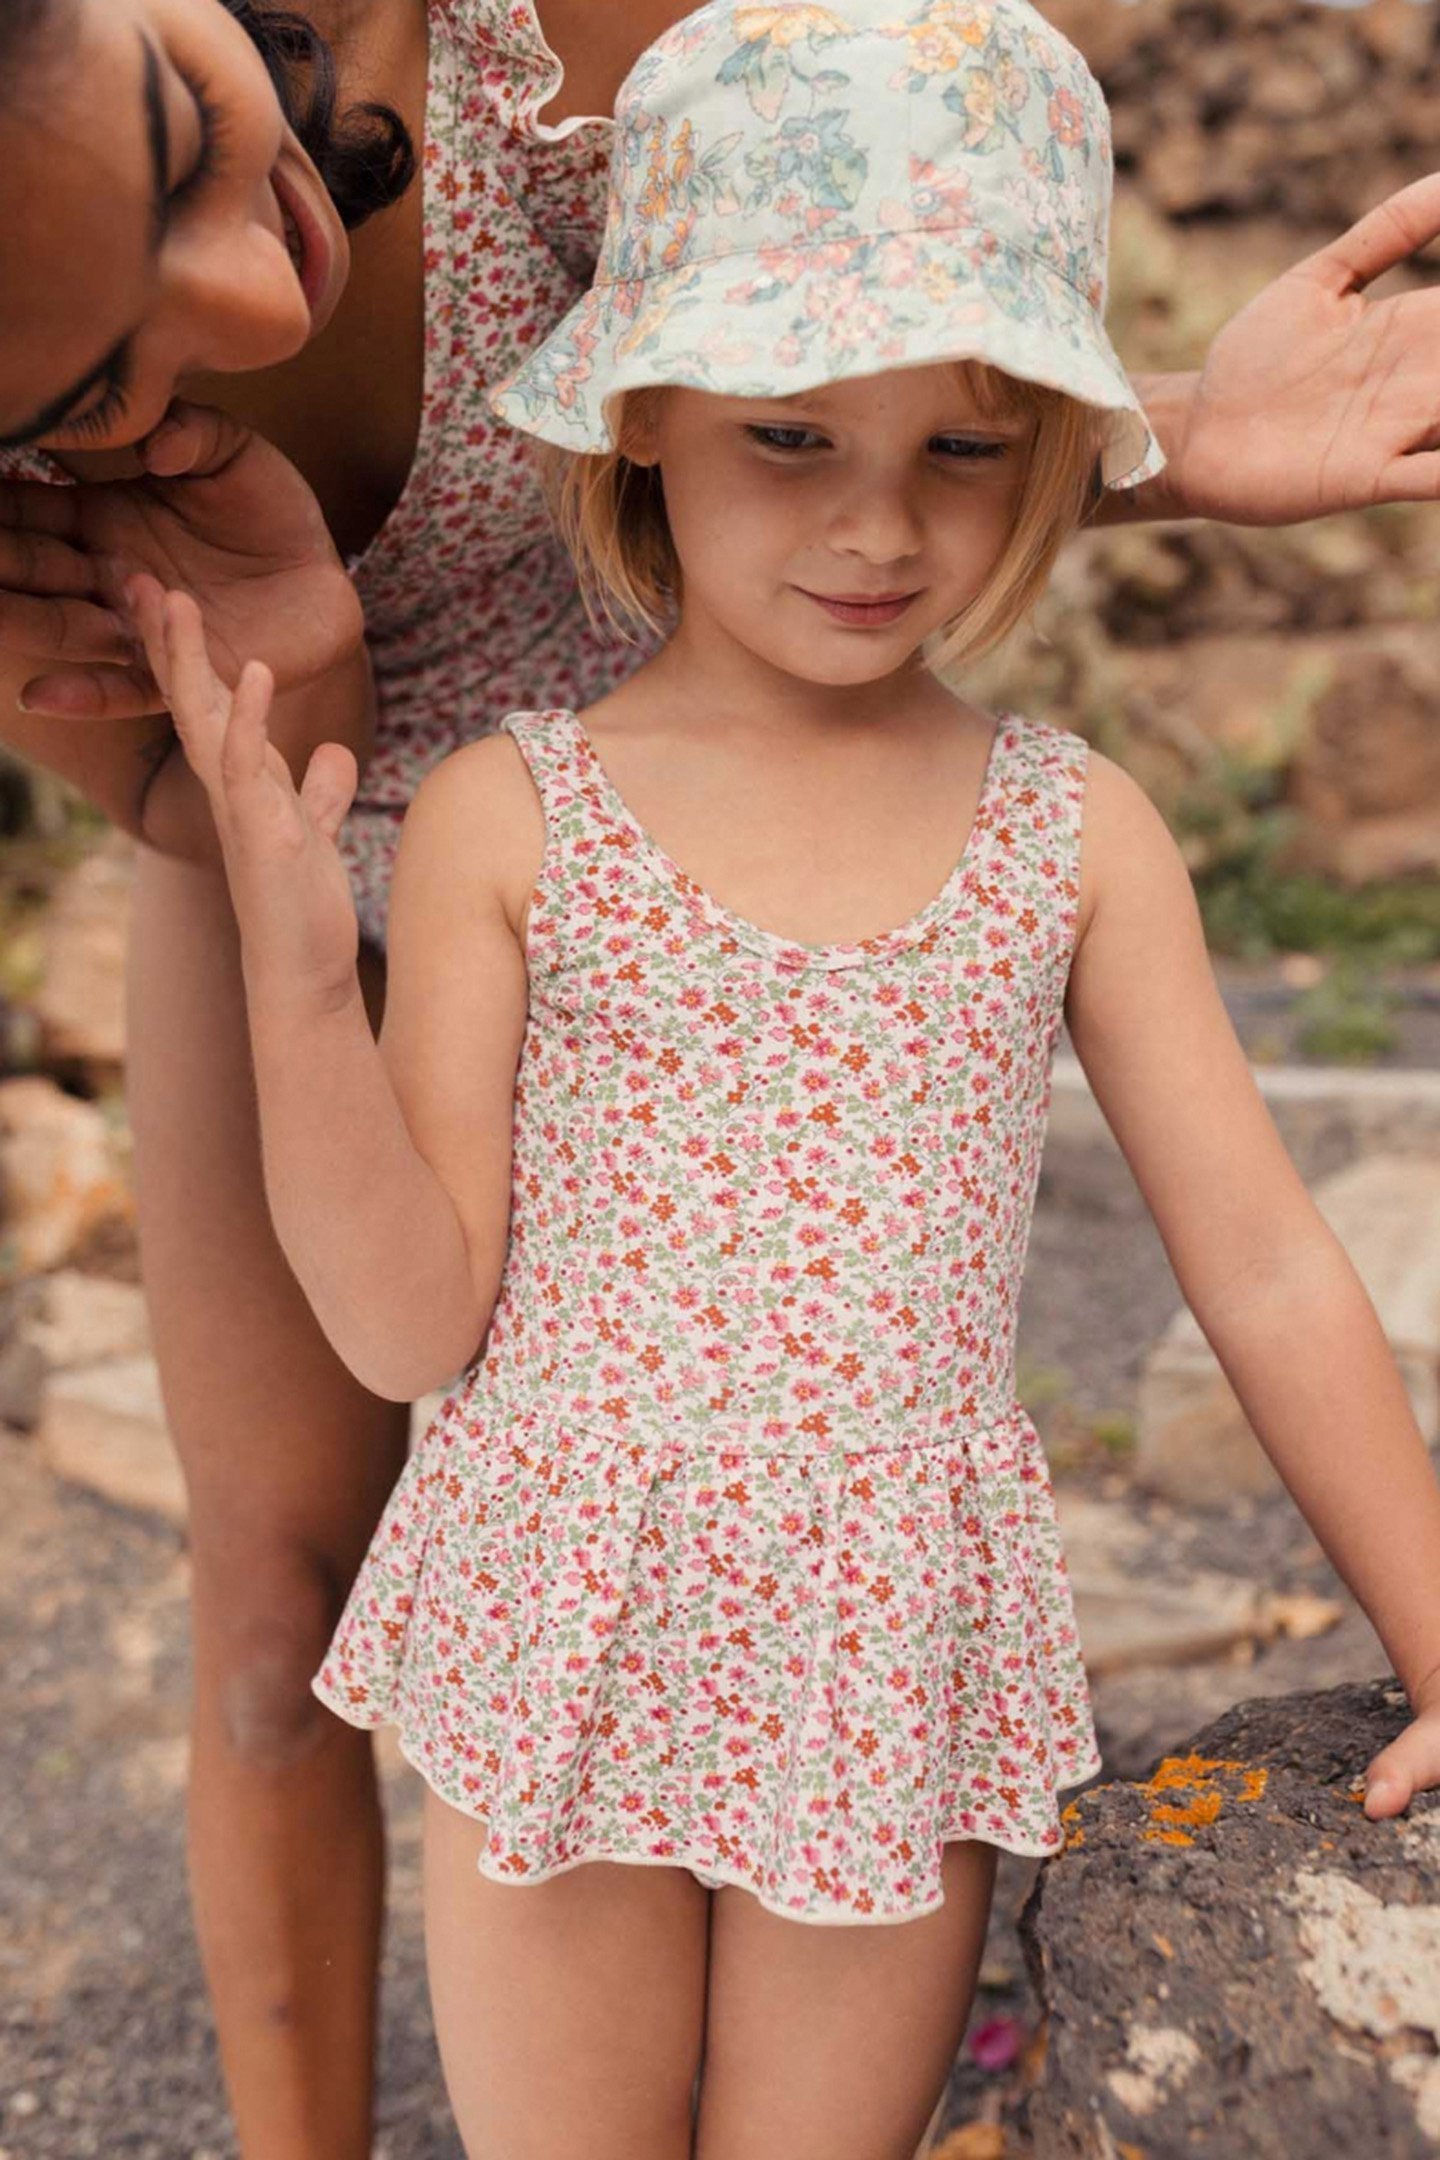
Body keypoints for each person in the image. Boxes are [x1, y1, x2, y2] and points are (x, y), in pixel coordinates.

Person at [6, 4, 1440, 2151]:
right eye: (789, 437)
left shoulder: (1076, 833)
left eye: (966, 448)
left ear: (1055, 441)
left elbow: (1267, 1267)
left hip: (886, 1646)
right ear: (646, 417)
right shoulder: (516, 821)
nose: (879, 529)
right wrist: (300, 967)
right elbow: (411, 1323)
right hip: (569, 1621)